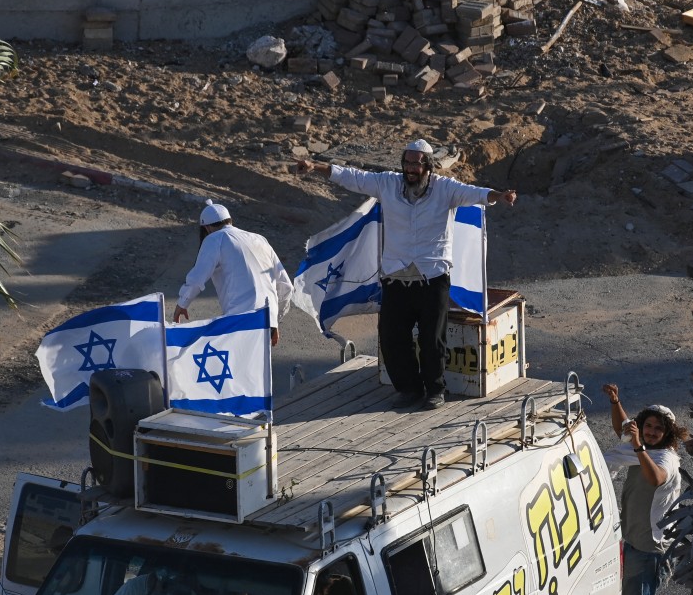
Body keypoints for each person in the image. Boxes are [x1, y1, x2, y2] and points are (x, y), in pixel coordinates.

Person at [297, 140, 517, 410]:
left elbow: (479, 194)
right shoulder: (387, 184)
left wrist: (500, 195)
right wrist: (315, 167)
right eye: (407, 163)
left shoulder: (445, 189)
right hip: (396, 278)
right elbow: (352, 176)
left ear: (428, 165)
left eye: (416, 163)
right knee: (392, 337)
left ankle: (436, 390)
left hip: (432, 278)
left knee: (432, 339)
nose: (411, 169)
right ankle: (409, 389)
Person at [601, 383, 689, 595]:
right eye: (647, 426)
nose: (650, 432)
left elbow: (655, 479)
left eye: (657, 429)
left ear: (669, 434)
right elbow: (623, 428)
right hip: (636, 539)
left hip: (652, 546)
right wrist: (616, 402)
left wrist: (639, 446)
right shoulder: (641, 446)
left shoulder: (664, 458)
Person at [173, 200, 293, 346]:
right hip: (267, 317)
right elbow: (286, 286)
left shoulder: (215, 239)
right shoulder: (259, 239)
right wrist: (275, 320)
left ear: (206, 228)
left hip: (241, 318)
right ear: (230, 221)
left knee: (234, 363)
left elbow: (198, 277)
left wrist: (182, 303)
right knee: (257, 366)